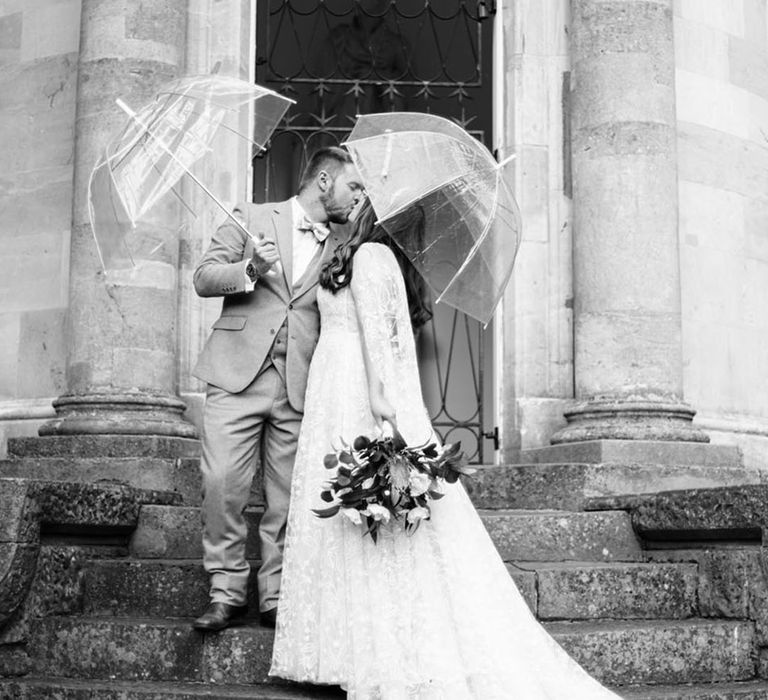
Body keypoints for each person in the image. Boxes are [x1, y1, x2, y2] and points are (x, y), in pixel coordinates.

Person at [270, 200, 621, 698]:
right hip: (335, 384)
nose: (352, 198)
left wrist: (376, 398)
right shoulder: (372, 256)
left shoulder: (369, 257)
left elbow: (377, 336)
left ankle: (366, 650)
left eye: (361, 194)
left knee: (359, 512)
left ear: (378, 214)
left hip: (350, 389)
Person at [191, 147, 364, 632]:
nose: (359, 198)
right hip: (236, 375)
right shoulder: (250, 216)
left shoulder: (347, 243)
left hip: (302, 382)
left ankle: (275, 595)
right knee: (221, 483)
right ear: (325, 180)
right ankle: (225, 592)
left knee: (287, 497)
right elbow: (204, 277)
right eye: (355, 186)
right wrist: (249, 269)